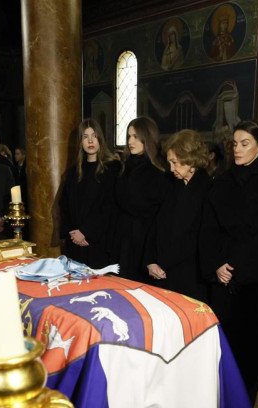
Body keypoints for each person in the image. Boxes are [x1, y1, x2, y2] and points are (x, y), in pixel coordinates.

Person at [199, 120, 258, 404]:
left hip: (256, 279)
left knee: (251, 348)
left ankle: (245, 406)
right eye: (235, 143)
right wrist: (216, 265)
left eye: (245, 143)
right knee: (222, 345)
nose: (238, 149)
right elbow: (207, 229)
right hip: (222, 278)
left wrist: (240, 268)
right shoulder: (221, 181)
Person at [144, 130, 209, 299]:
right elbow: (156, 224)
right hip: (160, 270)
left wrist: (163, 262)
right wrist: (150, 260)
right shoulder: (171, 184)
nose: (171, 168)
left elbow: (196, 235)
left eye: (175, 162)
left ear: (190, 158)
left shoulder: (208, 188)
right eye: (169, 163)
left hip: (189, 274)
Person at [111, 117, 169, 281]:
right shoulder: (124, 166)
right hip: (122, 238)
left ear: (147, 137)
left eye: (136, 137)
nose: (131, 141)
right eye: (129, 136)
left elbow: (157, 214)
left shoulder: (159, 171)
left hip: (144, 242)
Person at [59, 119, 121, 268]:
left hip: (101, 242)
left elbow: (110, 206)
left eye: (94, 135)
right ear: (80, 142)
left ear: (100, 139)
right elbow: (64, 205)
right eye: (85, 136)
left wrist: (86, 232)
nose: (90, 140)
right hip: (75, 243)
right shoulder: (73, 171)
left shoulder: (113, 168)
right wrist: (72, 232)